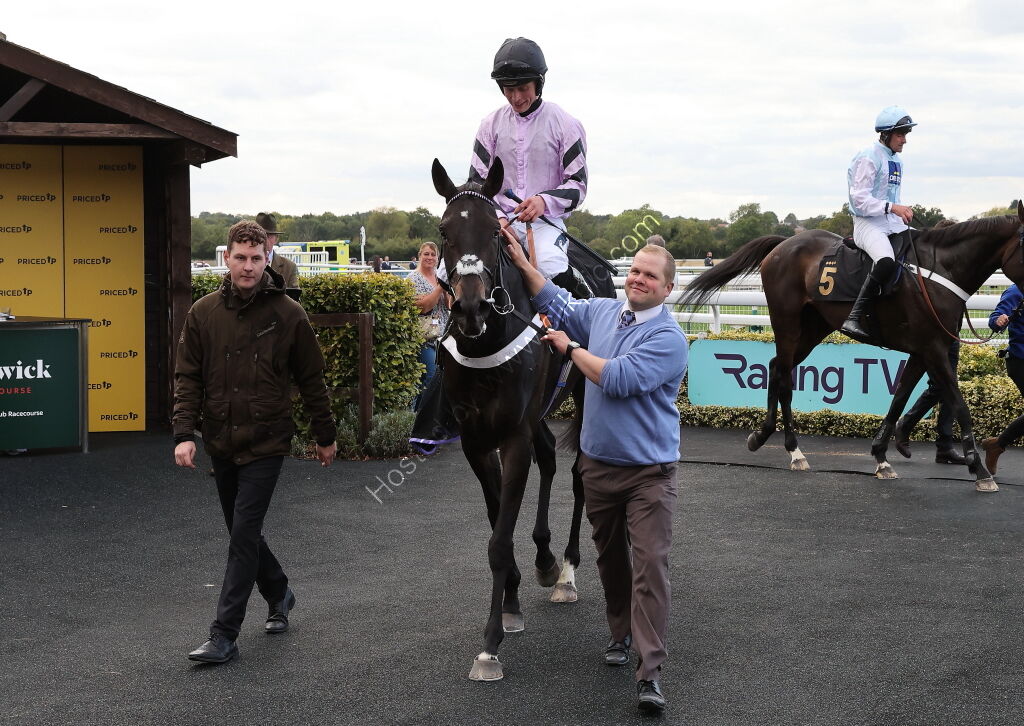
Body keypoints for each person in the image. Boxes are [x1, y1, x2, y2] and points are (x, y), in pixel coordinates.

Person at [507, 238, 688, 714]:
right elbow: (556, 301)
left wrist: (569, 349)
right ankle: (621, 634)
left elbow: (617, 378)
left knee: (650, 566)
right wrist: (523, 262)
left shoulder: (669, 339)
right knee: (610, 561)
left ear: (667, 288)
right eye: (635, 271)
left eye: (650, 276)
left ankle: (649, 673)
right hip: (598, 468)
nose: (638, 279)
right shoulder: (604, 311)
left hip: (650, 475)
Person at [173, 220, 337, 665]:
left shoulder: (288, 313)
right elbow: (187, 377)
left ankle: (223, 634)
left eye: (256, 258)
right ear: (226, 258)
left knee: (242, 535)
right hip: (221, 442)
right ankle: (280, 591)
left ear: (268, 259)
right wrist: (184, 434)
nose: (248, 266)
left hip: (267, 441)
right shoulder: (203, 312)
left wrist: (326, 435)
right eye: (240, 257)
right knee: (241, 532)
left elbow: (312, 379)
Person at [470, 37, 587, 289]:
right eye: (508, 89)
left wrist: (543, 201)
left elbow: (578, 185)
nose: (515, 97)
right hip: (497, 222)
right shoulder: (489, 125)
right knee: (451, 271)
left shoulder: (565, 124)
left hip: (545, 223)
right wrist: (499, 218)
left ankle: (574, 317)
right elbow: (475, 185)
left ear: (539, 83)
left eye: (522, 88)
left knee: (548, 264)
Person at [840, 106, 917, 342]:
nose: (904, 140)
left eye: (905, 134)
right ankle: (854, 316)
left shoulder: (897, 161)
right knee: (885, 261)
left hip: (891, 222)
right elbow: (859, 200)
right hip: (867, 224)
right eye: (900, 134)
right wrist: (893, 208)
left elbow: (891, 198)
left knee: (923, 247)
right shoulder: (868, 156)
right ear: (885, 134)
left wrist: (901, 211)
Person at [893, 342, 965, 464]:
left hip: (952, 336)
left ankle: (945, 448)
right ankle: (905, 425)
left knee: (951, 387)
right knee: (940, 386)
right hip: (931, 336)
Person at [982, 283, 1024, 474]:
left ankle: (997, 444)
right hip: (1020, 361)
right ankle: (997, 444)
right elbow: (995, 319)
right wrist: (998, 320)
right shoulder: (1016, 291)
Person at [408, 241, 448, 408]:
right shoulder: (413, 278)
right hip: (424, 339)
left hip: (443, 336)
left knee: (440, 378)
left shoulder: (440, 277)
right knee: (431, 377)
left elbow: (448, 306)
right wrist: (440, 289)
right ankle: (420, 417)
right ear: (419, 256)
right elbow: (423, 307)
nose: (430, 257)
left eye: (433, 254)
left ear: (438, 258)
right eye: (426, 254)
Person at [255, 212, 300, 289]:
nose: (264, 240)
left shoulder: (289, 267)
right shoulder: (244, 265)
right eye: (261, 235)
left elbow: (294, 297)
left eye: (269, 236)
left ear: (276, 239)